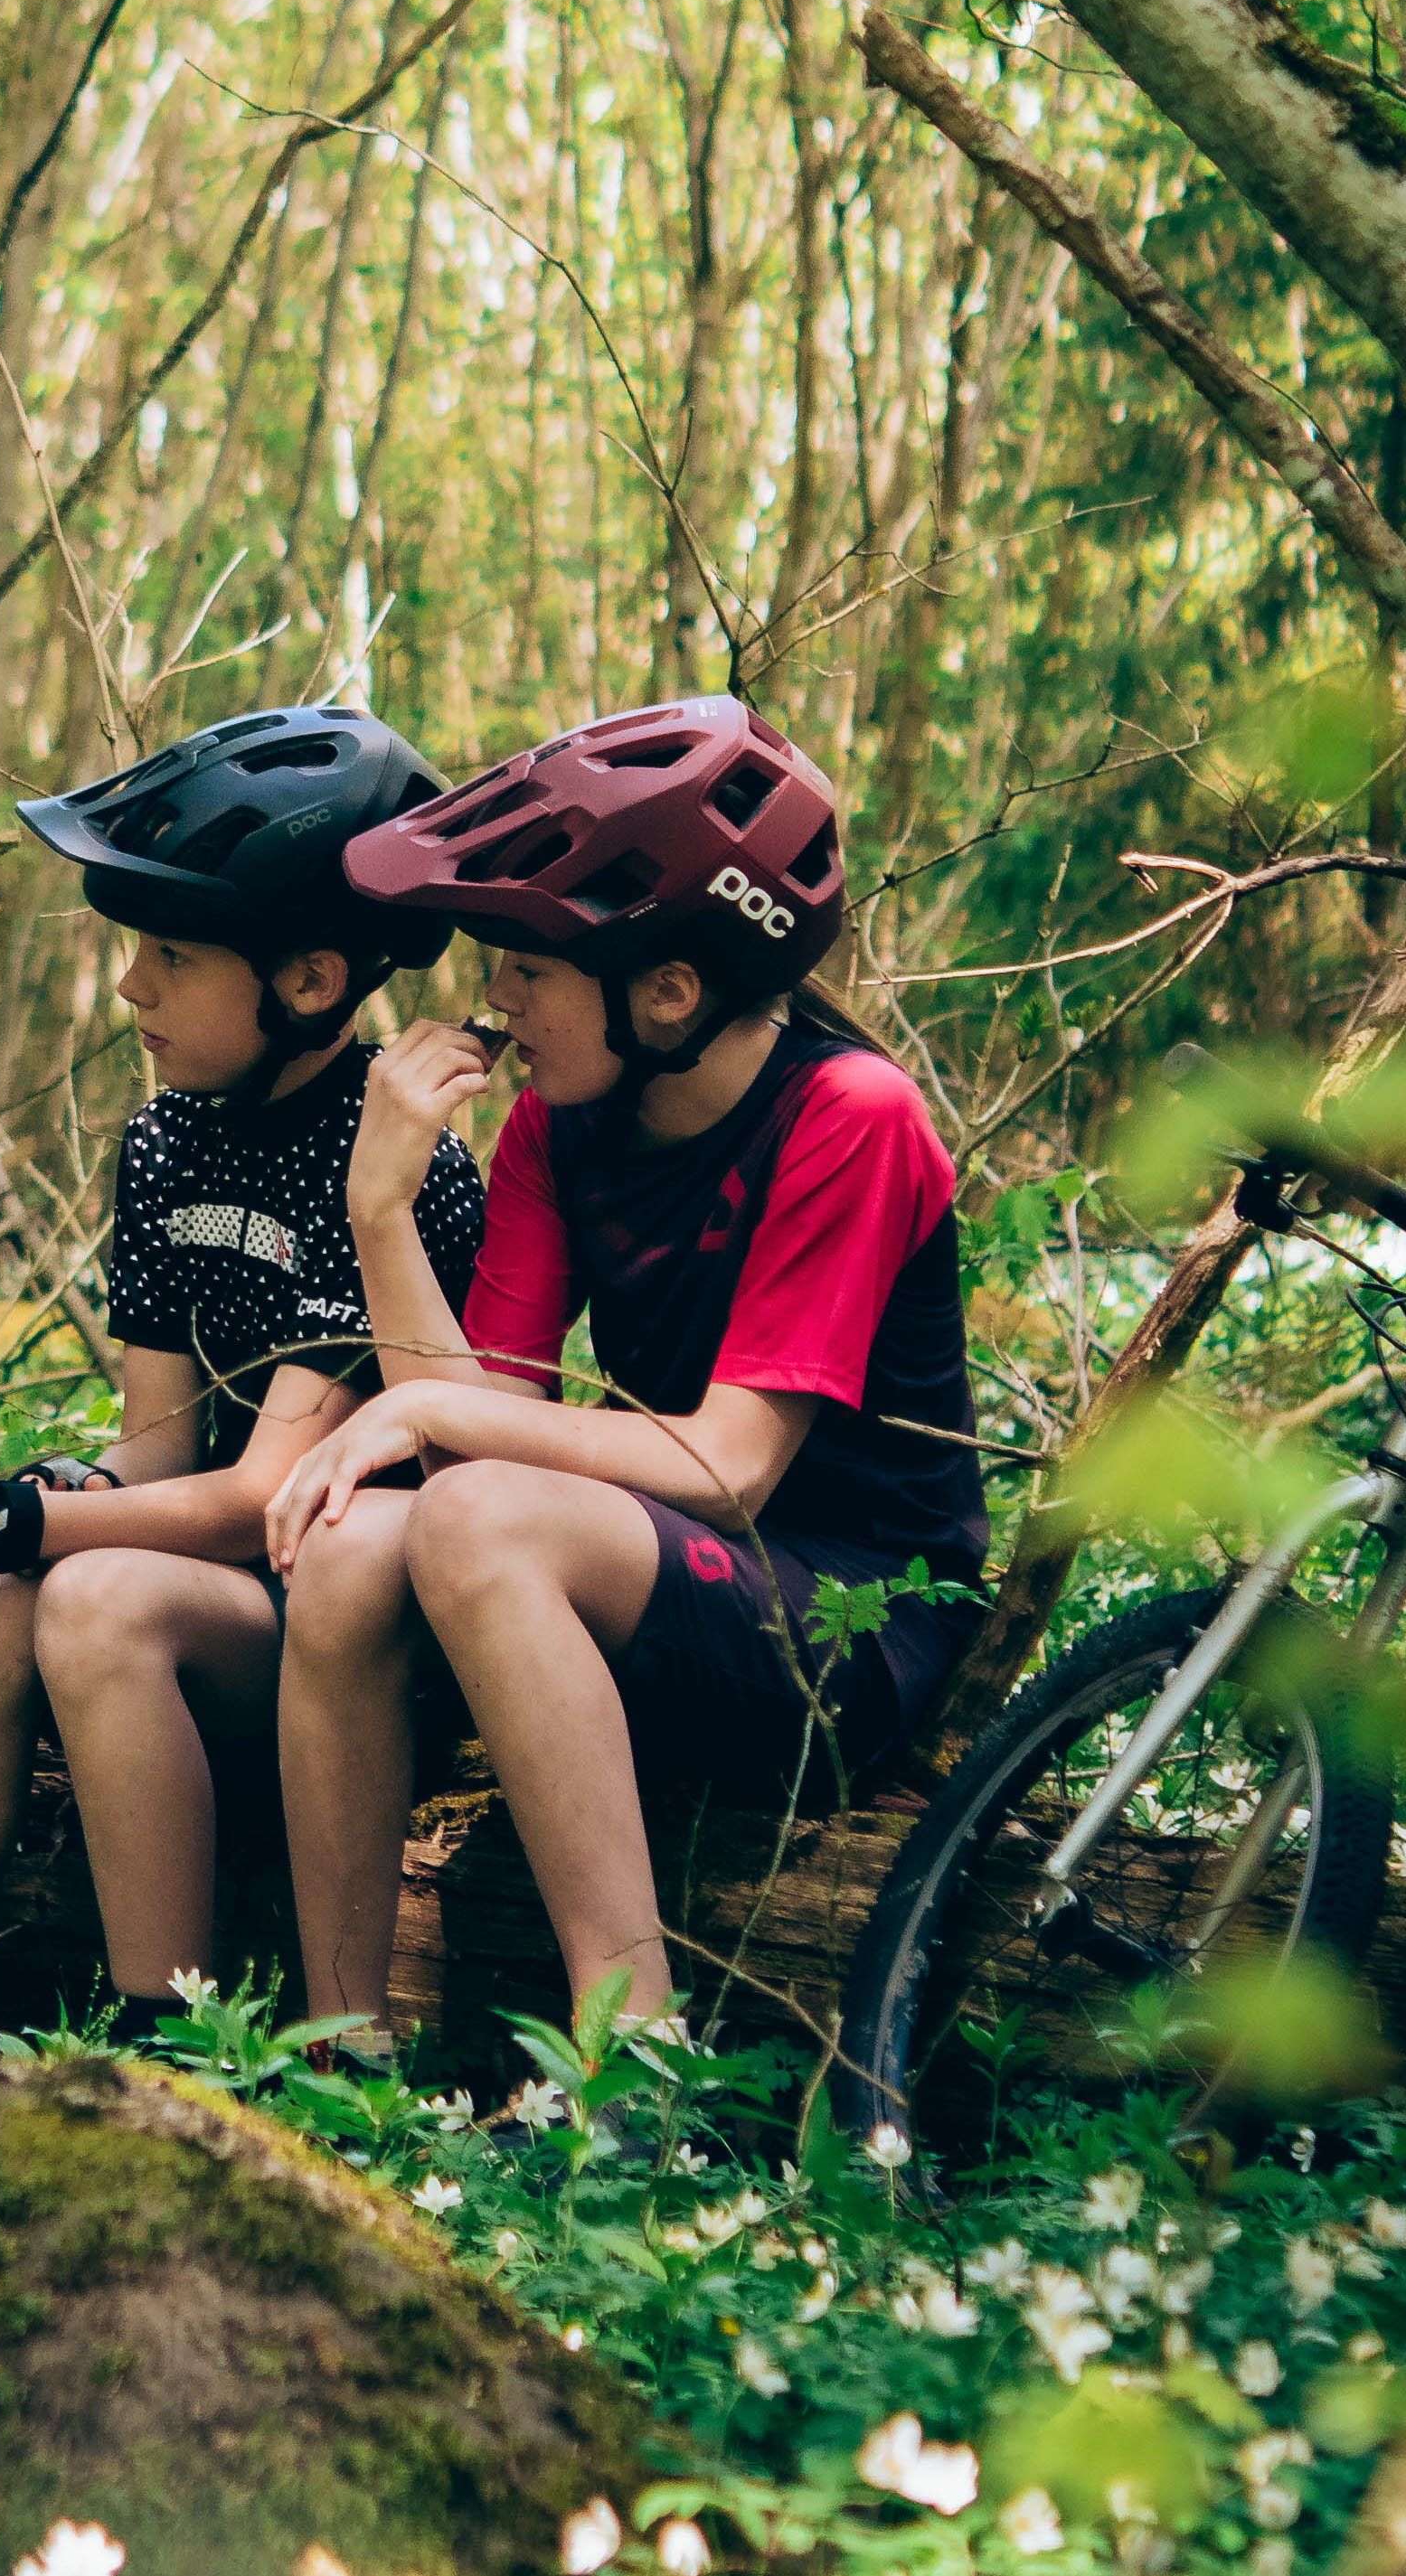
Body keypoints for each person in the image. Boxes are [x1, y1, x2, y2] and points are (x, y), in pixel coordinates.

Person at [268, 695, 988, 2038]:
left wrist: (426, 1405)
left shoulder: (851, 1115)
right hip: (678, 1579)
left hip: (854, 1626)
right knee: (359, 1545)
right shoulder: (561, 1126)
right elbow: (479, 1421)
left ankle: (632, 2065)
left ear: (669, 990)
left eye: (529, 970)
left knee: (473, 1515)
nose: (495, 1001)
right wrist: (381, 1205)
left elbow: (729, 1464)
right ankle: (341, 2055)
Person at [0, 708, 486, 2050]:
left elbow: (258, 1501)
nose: (131, 985)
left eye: (171, 954)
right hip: (229, 1607)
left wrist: (36, 1524)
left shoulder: (392, 1163)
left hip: (356, 1647)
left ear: (308, 977)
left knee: (97, 1596)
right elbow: (159, 1447)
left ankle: (170, 2052)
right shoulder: (167, 1139)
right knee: (2, 1597)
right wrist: (12, 1502)